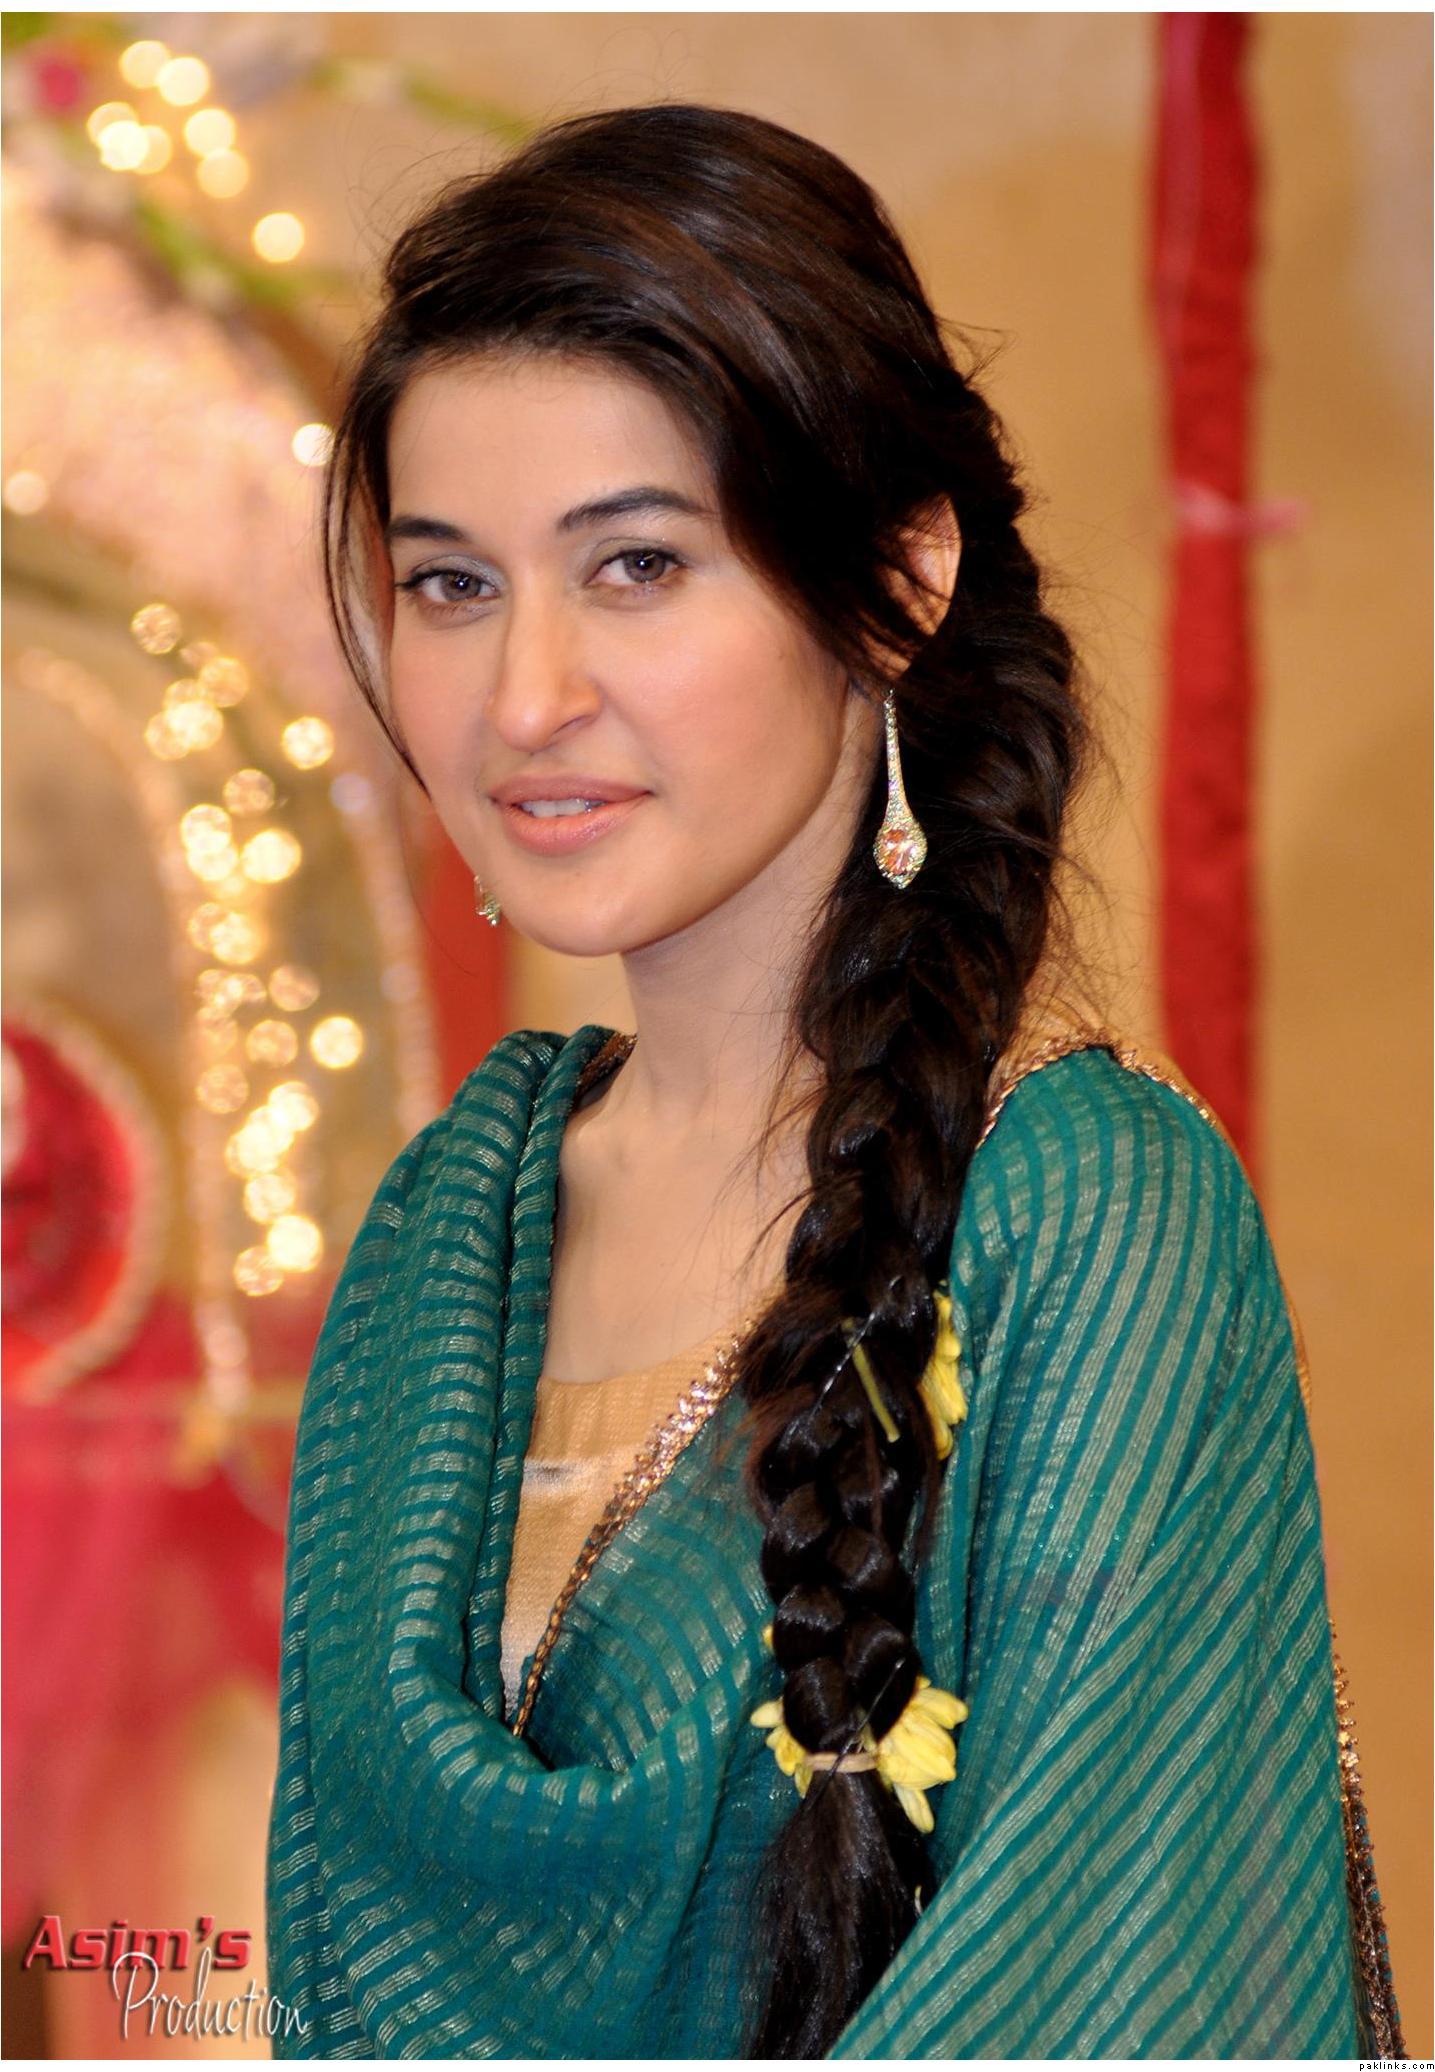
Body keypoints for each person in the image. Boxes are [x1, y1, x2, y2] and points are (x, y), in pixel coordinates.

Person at [264, 101, 1403, 2059]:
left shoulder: (1086, 1213)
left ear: (896, 580)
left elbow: (1108, 1989)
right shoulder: (449, 1228)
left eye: (635, 564)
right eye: (451, 584)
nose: (523, 697)